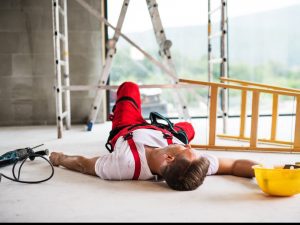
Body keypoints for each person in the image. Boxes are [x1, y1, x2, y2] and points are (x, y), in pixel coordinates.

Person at [50, 81, 258, 191]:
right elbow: (233, 165)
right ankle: (174, 130)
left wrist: (60, 158)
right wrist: (267, 171)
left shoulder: (124, 164)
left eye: (186, 149)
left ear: (169, 158)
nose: (189, 147)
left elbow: (83, 164)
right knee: (188, 128)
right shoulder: (194, 163)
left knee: (129, 87)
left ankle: (126, 105)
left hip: (128, 128)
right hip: (164, 134)